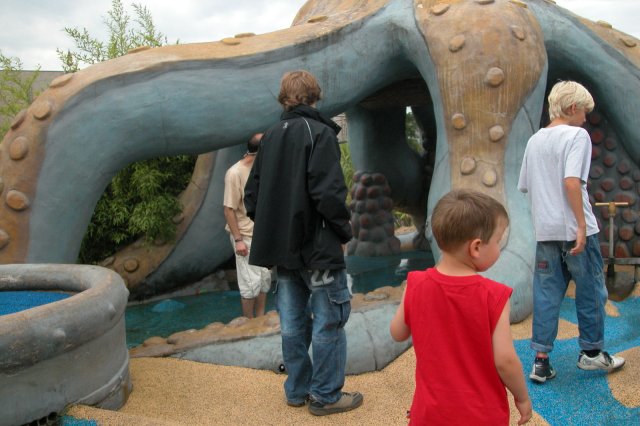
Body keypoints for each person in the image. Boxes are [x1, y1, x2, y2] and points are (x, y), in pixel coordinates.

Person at [244, 70, 362, 416]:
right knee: (329, 319)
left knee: (292, 323)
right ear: (315, 96)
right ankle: (325, 396)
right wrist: (343, 231)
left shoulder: (269, 137)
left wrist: (276, 228)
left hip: (282, 252)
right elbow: (328, 194)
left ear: (284, 98)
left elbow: (252, 197)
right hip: (318, 250)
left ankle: (296, 390)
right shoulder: (319, 132)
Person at [390, 189, 532, 425]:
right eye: (497, 241)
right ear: (476, 247)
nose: (499, 247)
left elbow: (397, 333)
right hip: (481, 415)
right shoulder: (494, 296)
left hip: (430, 414)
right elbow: (505, 361)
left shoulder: (416, 283)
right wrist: (522, 397)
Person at [518, 80, 625, 383]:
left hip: (546, 231)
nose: (585, 119)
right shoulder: (577, 136)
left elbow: (525, 185)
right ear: (573, 107)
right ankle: (591, 353)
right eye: (584, 112)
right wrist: (580, 225)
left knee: (546, 293)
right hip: (577, 231)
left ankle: (540, 361)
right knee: (591, 290)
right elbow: (571, 182)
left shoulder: (534, 140)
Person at [223, 133, 271, 319]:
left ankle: (260, 318)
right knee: (250, 284)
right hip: (245, 235)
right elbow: (228, 209)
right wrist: (238, 240)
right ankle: (249, 323)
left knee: (264, 280)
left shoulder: (263, 168)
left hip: (262, 235)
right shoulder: (234, 173)